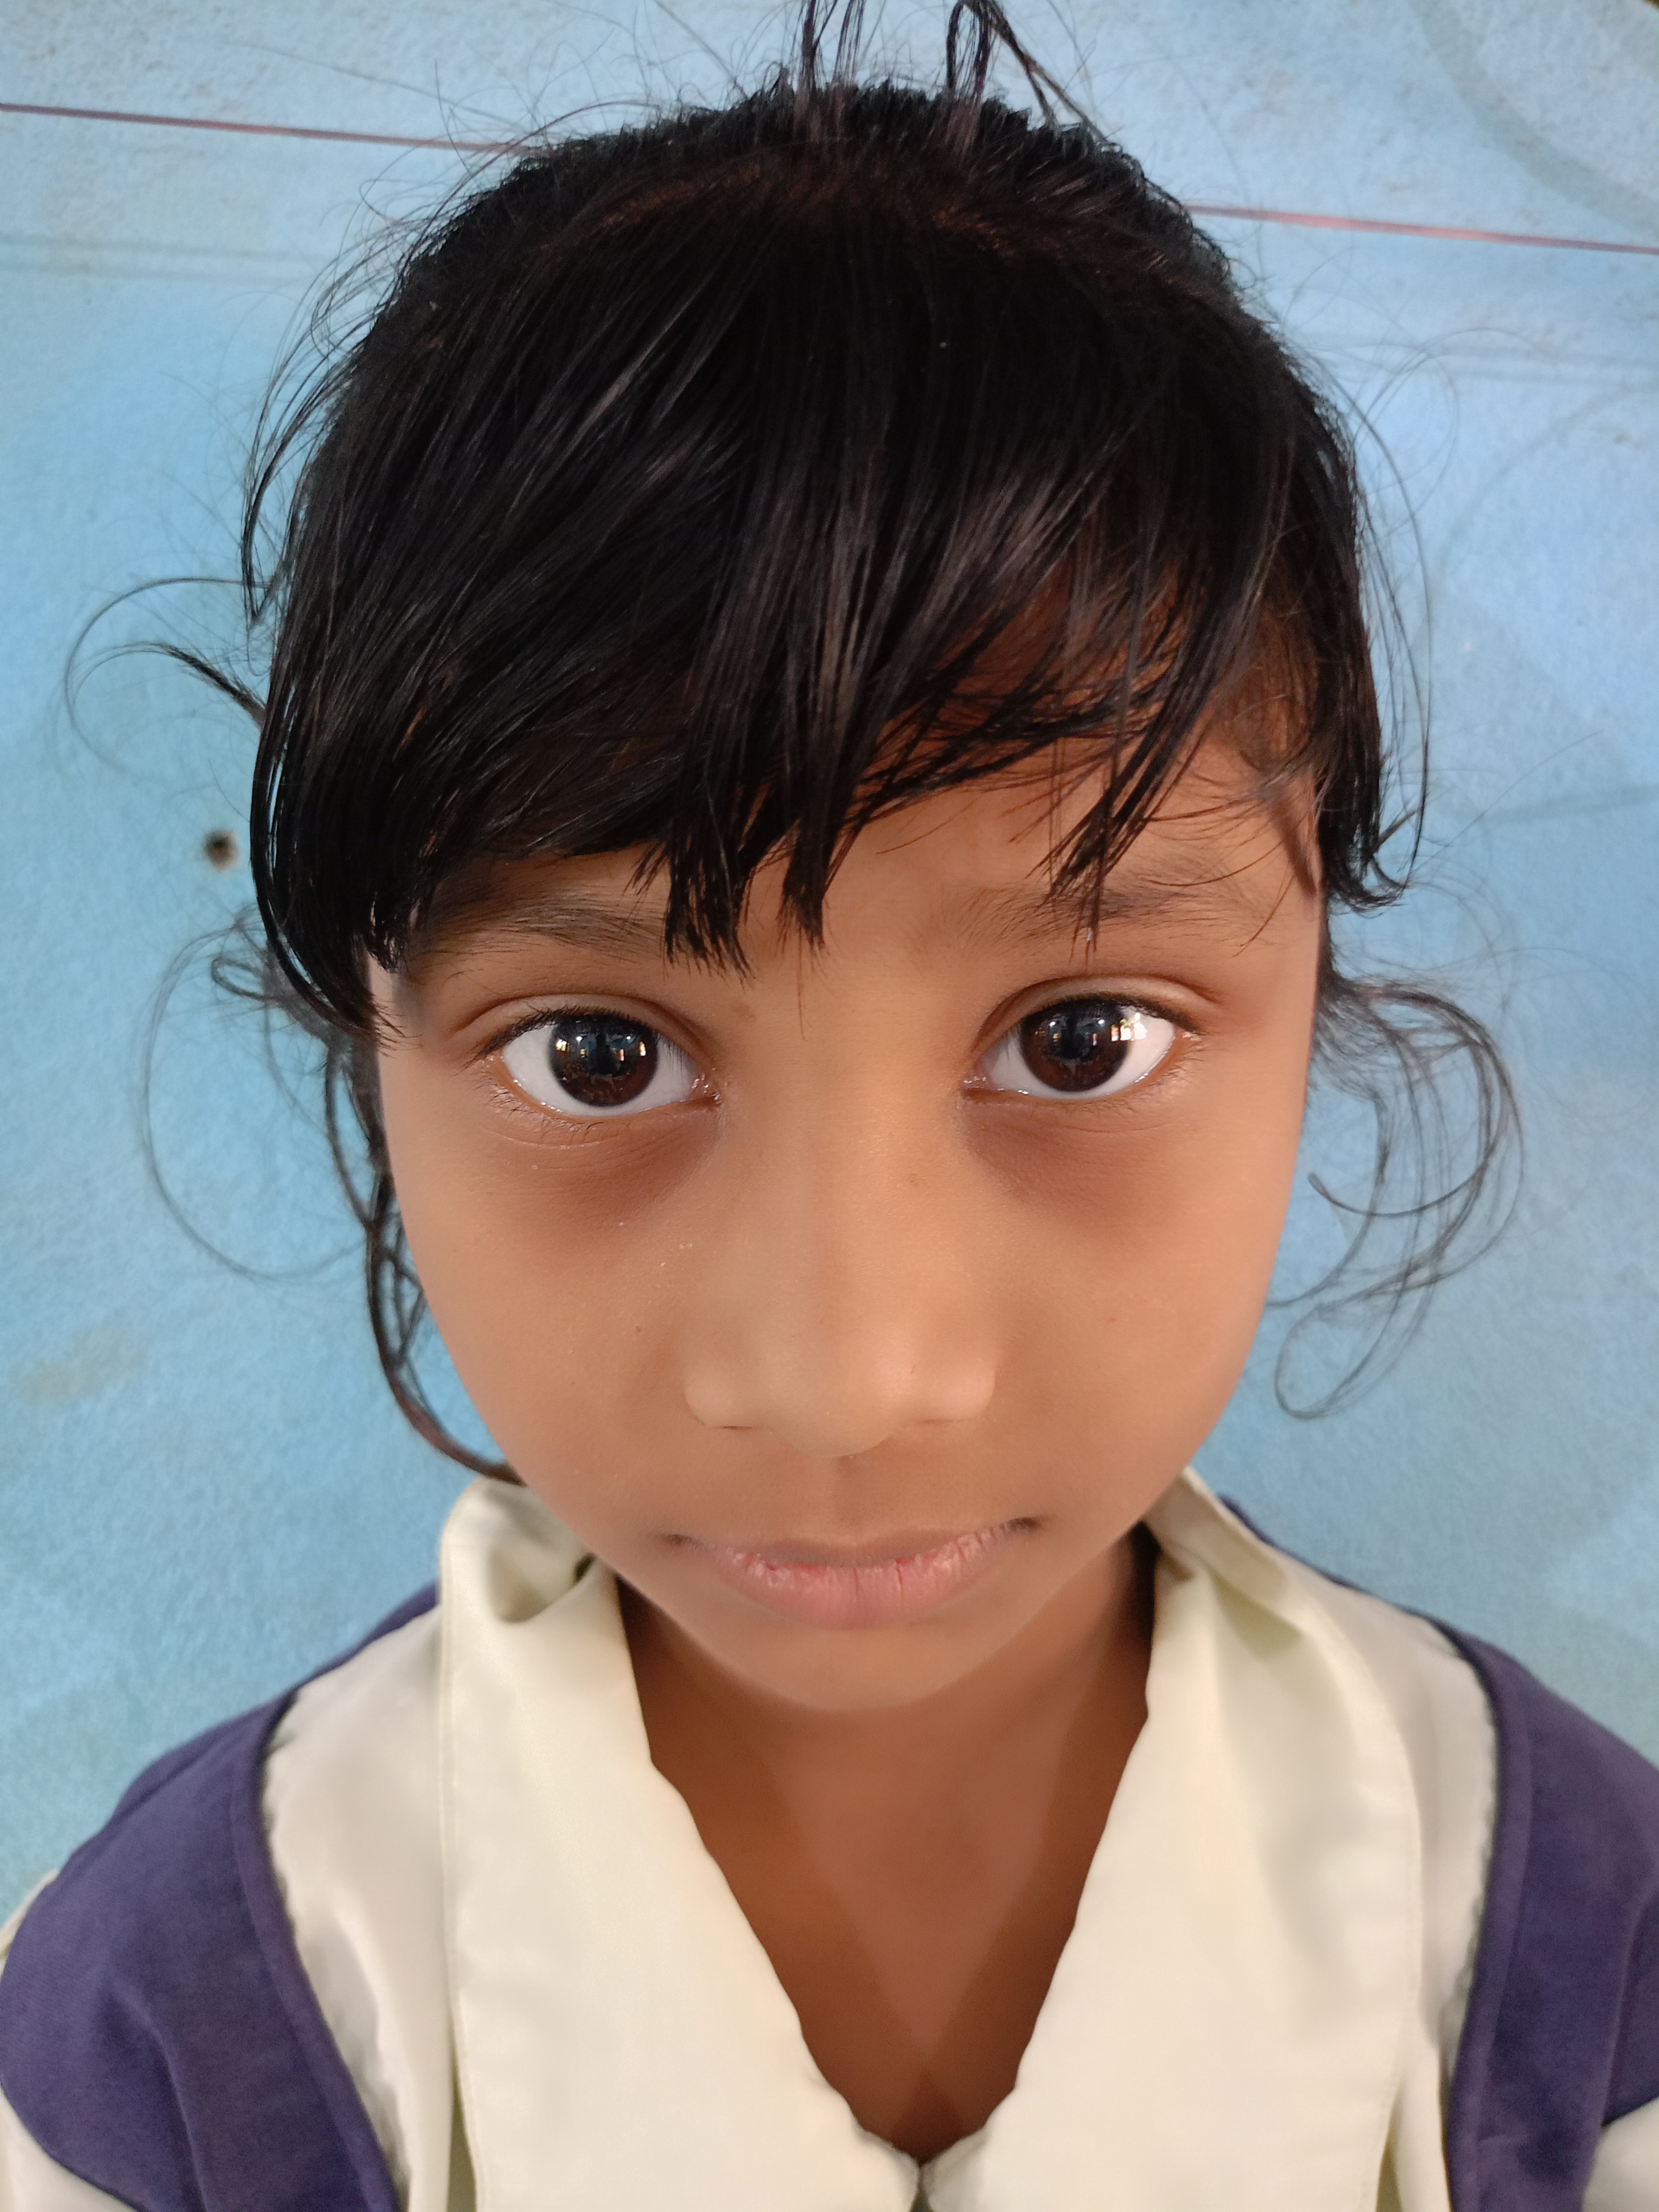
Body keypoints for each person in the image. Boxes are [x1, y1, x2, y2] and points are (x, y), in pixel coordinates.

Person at [0, 4, 1653, 2206]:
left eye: (1082, 1039)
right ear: (366, 1031)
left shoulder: (1584, 1967)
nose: (850, 1375)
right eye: (601, 1056)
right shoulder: (172, 2035)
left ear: (1315, 987)